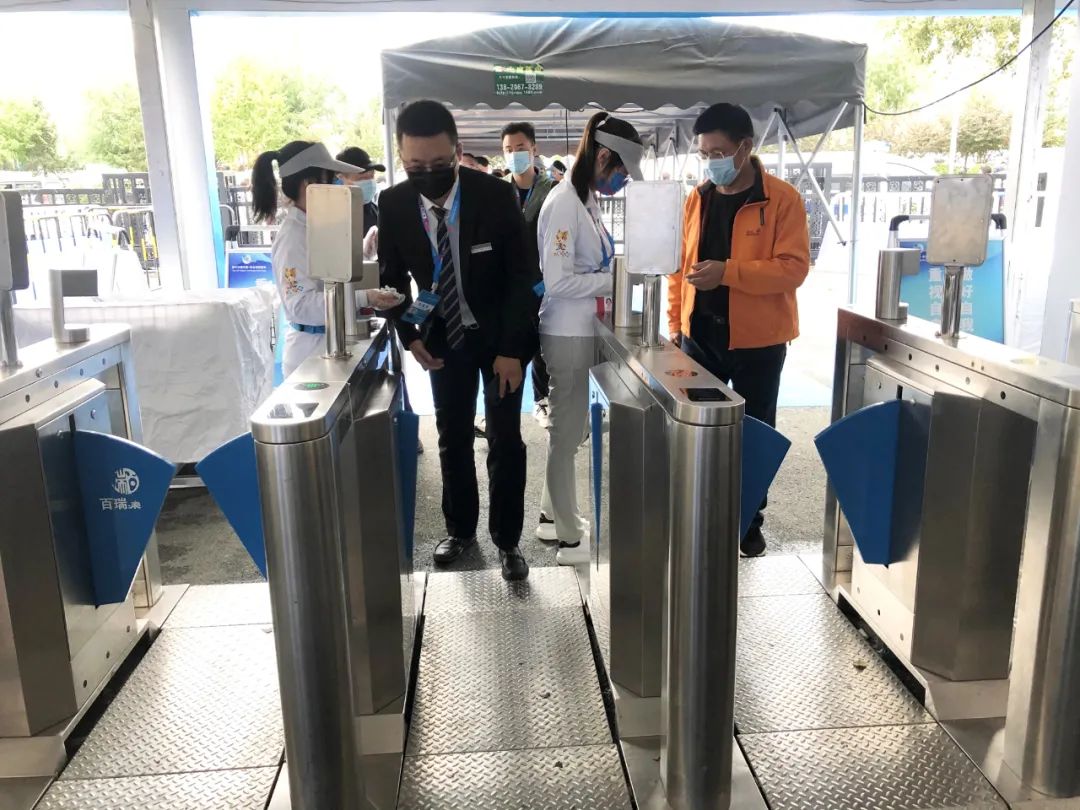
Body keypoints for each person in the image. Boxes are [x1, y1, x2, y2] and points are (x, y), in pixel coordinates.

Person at [378, 100, 536, 582]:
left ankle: (507, 539)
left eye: (439, 163)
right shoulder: (394, 204)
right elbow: (391, 279)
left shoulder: (494, 195)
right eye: (415, 165)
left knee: (505, 439)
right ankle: (461, 529)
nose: (428, 174)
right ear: (402, 158)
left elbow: (523, 278)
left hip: (499, 337)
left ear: (458, 151)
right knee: (452, 436)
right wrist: (409, 335)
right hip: (442, 337)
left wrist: (512, 351)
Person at [667, 103, 810, 557]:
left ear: (745, 147)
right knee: (698, 432)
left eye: (719, 152)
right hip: (700, 339)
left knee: (754, 434)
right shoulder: (698, 198)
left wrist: (728, 273)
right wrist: (676, 324)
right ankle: (703, 514)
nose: (711, 162)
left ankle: (748, 520)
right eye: (704, 153)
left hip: (759, 342)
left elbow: (793, 269)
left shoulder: (782, 199)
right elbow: (680, 267)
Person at [535, 112, 644, 565]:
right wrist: (615, 280)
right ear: (602, 157)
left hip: (585, 328)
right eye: (621, 170)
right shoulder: (565, 203)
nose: (622, 180)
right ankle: (570, 537)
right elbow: (558, 281)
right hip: (567, 332)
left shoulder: (586, 200)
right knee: (566, 433)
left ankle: (549, 515)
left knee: (573, 426)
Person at [252, 141, 401, 377]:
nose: (337, 185)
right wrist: (364, 297)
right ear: (309, 184)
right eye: (331, 179)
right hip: (311, 353)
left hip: (333, 344)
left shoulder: (318, 225)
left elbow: (330, 274)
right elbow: (300, 306)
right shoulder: (292, 238)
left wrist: (362, 254)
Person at [502, 121, 555, 429]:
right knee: (507, 345)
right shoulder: (497, 191)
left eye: (520, 148)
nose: (514, 154)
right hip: (507, 286)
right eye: (508, 149)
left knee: (543, 346)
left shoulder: (553, 191)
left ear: (534, 149)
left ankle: (542, 400)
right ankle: (502, 413)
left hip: (544, 282)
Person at [335, 146, 385, 239]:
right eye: (362, 178)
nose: (370, 182)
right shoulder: (332, 216)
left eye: (372, 176)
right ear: (341, 178)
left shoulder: (375, 210)